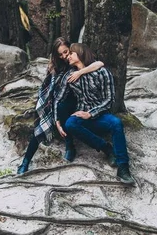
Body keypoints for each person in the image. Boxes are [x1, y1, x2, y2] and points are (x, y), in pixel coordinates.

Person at [17, 38, 104, 174]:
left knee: (63, 107)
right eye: (60, 54)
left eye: (66, 52)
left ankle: (69, 145)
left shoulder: (76, 59)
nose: (64, 56)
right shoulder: (55, 65)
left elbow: (99, 63)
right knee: (41, 127)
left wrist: (80, 72)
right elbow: (52, 89)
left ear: (71, 49)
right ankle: (25, 162)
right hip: (54, 99)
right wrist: (56, 120)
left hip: (73, 101)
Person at [54, 43, 134, 185]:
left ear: (80, 54)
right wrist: (57, 121)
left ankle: (123, 168)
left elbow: (109, 100)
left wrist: (90, 113)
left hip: (100, 115)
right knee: (71, 124)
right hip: (82, 116)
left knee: (116, 123)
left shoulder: (102, 72)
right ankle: (106, 148)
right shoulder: (70, 75)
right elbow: (58, 99)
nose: (68, 57)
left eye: (71, 53)